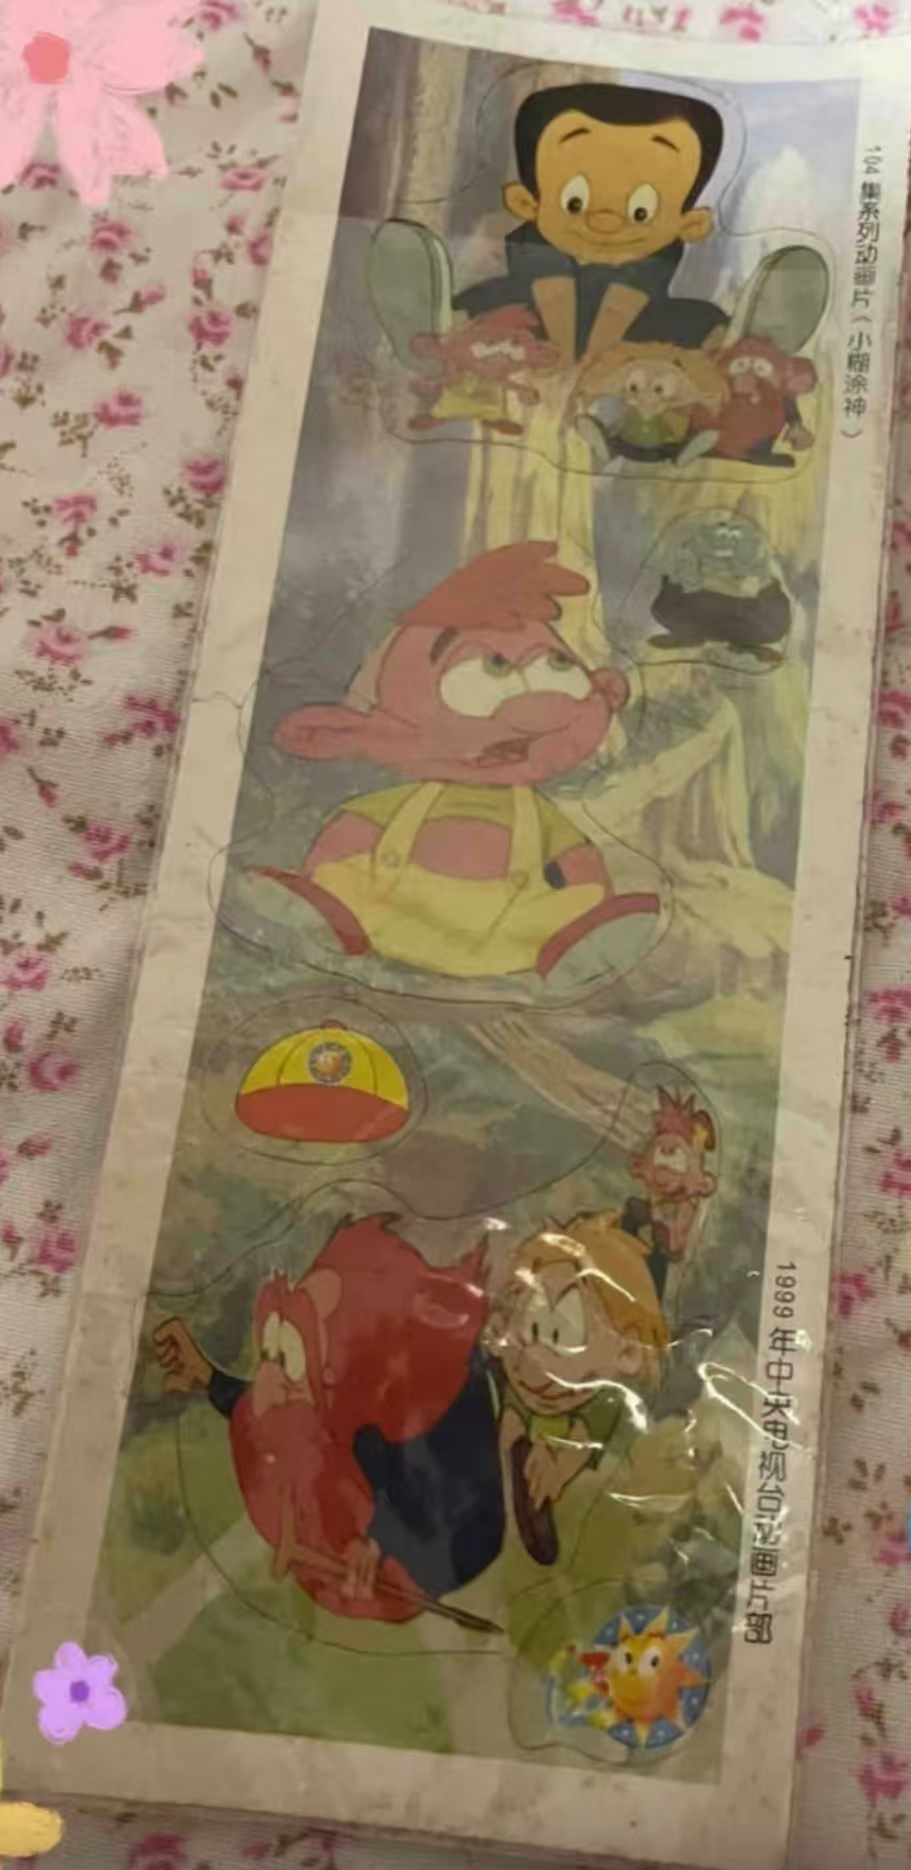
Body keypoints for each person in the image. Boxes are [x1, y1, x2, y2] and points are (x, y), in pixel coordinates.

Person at [369, 82, 830, 387]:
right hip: (523, 333)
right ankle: (432, 337)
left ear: (690, 224)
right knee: (483, 317)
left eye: (641, 211)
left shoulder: (671, 313)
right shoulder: (508, 293)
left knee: (695, 328)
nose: (607, 220)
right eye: (575, 201)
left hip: (641, 354)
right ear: (527, 204)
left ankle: (748, 352)